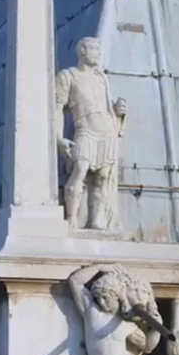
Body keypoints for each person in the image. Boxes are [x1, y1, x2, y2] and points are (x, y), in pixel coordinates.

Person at [54, 37, 127, 230]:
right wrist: (58, 137)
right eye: (94, 49)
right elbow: (57, 108)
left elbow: (107, 107)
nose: (98, 53)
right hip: (85, 129)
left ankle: (95, 220)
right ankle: (71, 220)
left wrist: (118, 112)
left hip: (107, 130)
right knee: (79, 171)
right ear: (82, 51)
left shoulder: (101, 78)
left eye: (98, 49)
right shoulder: (68, 76)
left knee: (102, 177)